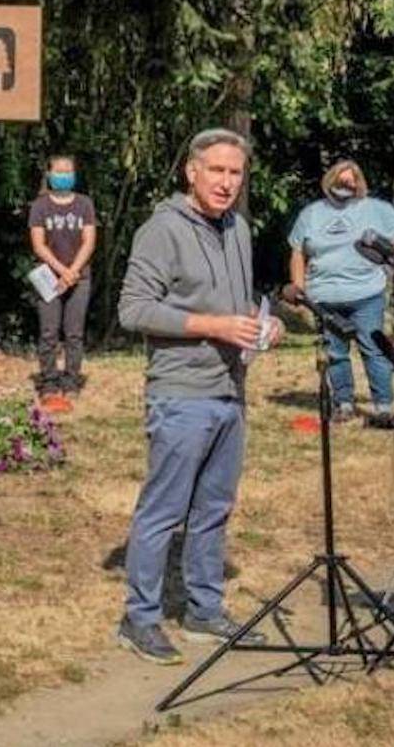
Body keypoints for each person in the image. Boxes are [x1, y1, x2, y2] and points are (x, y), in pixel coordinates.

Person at [116, 128, 281, 665]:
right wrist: (210, 324)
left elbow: (239, 305)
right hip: (181, 394)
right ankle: (139, 618)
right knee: (164, 510)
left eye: (236, 173)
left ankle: (204, 610)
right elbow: (133, 310)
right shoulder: (161, 231)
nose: (227, 183)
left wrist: (263, 325)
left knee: (214, 509)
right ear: (192, 171)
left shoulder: (239, 229)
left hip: (230, 392)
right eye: (217, 171)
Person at [287, 160, 394, 425]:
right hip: (323, 297)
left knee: (373, 348)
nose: (345, 186)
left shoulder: (373, 209)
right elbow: (297, 251)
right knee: (335, 353)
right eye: (340, 181)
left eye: (350, 182)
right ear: (328, 182)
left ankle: (383, 407)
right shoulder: (311, 213)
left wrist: (386, 253)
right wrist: (299, 286)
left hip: (366, 294)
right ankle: (343, 403)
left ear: (358, 184)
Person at [28, 154, 96, 396]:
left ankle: (71, 381)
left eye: (69, 171)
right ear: (49, 174)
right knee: (48, 331)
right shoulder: (40, 206)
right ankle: (48, 382)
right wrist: (62, 271)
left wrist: (74, 271)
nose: (64, 175)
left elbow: (89, 242)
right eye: (59, 171)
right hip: (49, 277)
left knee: (74, 333)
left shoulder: (85, 204)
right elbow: (38, 245)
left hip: (80, 278)